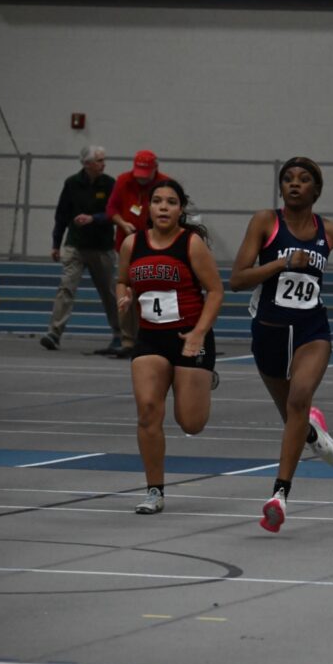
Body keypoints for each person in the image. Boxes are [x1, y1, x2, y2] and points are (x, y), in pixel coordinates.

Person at [229, 157, 333, 533]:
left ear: (316, 190)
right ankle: (313, 431)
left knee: (299, 400)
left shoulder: (330, 232)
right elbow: (237, 279)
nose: (295, 184)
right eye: (288, 179)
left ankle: (279, 496)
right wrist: (281, 263)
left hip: (312, 331)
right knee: (292, 419)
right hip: (268, 332)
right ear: (281, 188)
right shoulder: (265, 222)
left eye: (304, 179)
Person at [117, 179, 223, 514]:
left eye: (172, 202)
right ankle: (154, 491)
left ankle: (202, 378)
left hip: (190, 337)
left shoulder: (191, 244)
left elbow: (216, 291)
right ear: (149, 208)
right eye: (158, 201)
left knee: (191, 422)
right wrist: (123, 293)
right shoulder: (132, 244)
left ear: (181, 210)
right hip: (150, 338)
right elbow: (123, 278)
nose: (164, 207)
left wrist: (198, 334)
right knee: (148, 410)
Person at [40, 145, 121, 354]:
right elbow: (61, 215)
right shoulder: (72, 184)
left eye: (104, 160)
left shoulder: (110, 184)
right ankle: (54, 333)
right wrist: (55, 244)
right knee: (66, 288)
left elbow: (114, 213)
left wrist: (93, 219)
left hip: (101, 247)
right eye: (100, 160)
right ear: (87, 164)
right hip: (75, 245)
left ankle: (120, 334)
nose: (104, 164)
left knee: (109, 293)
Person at [106, 150, 171, 358]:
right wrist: (122, 223)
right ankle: (127, 340)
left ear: (155, 169)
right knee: (125, 290)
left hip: (154, 246)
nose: (141, 178)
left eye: (146, 174)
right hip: (127, 244)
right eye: (139, 174)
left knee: (149, 290)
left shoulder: (165, 184)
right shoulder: (124, 181)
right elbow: (111, 209)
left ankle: (149, 335)